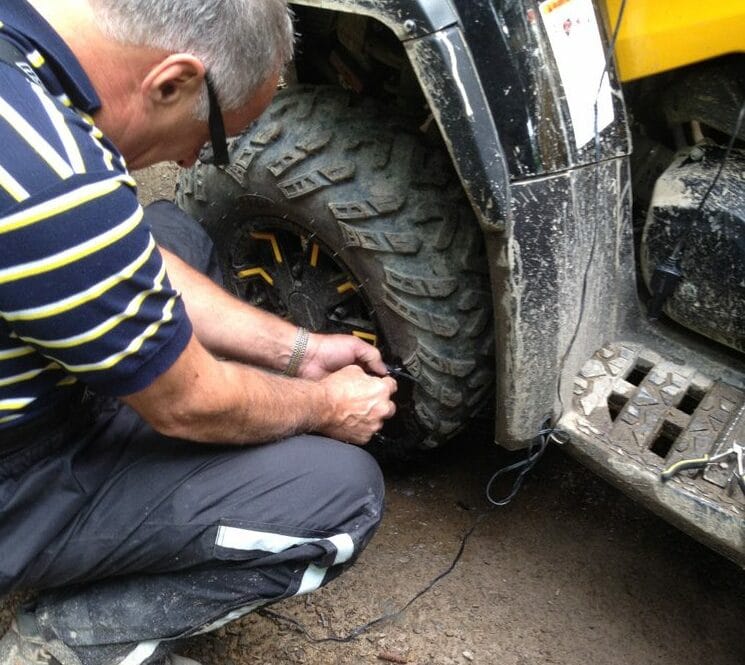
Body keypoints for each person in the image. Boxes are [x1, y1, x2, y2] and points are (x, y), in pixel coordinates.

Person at [0, 1, 398, 664]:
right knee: (344, 496)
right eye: (208, 138)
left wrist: (299, 351)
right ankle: (65, 645)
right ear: (170, 82)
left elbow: (123, 255)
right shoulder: (55, 184)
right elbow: (188, 403)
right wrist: (327, 405)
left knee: (171, 231)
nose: (190, 163)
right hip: (17, 473)